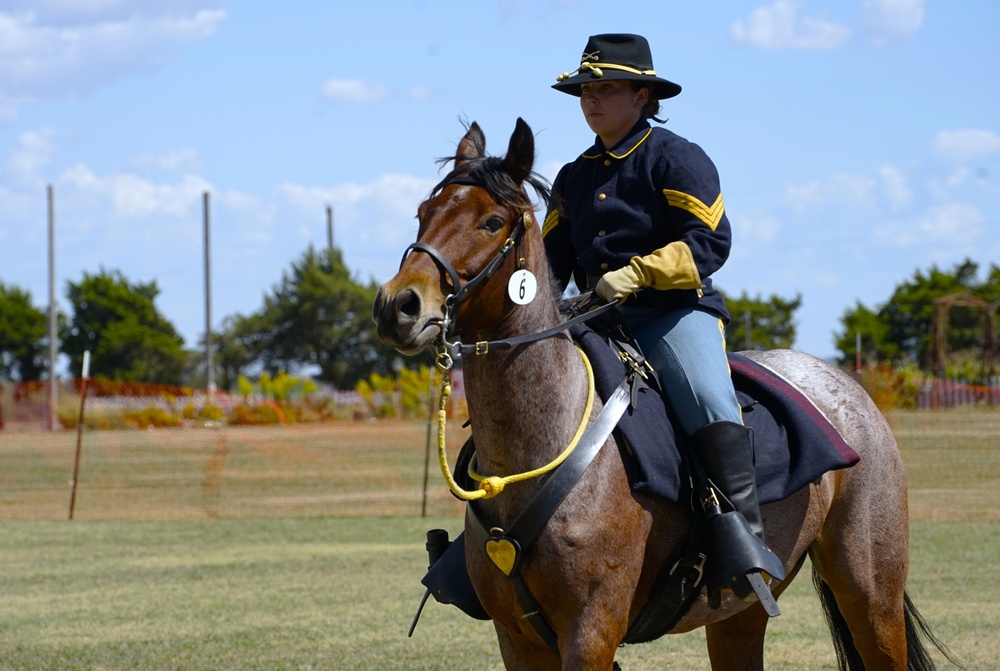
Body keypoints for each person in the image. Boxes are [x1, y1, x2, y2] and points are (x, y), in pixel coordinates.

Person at [542, 33, 784, 605]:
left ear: (643, 95)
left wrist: (638, 272)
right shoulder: (573, 177)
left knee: (706, 394)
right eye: (584, 90)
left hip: (671, 314)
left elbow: (710, 242)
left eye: (606, 89)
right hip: (593, 322)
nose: (591, 100)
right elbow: (551, 267)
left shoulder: (676, 156)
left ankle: (743, 541)